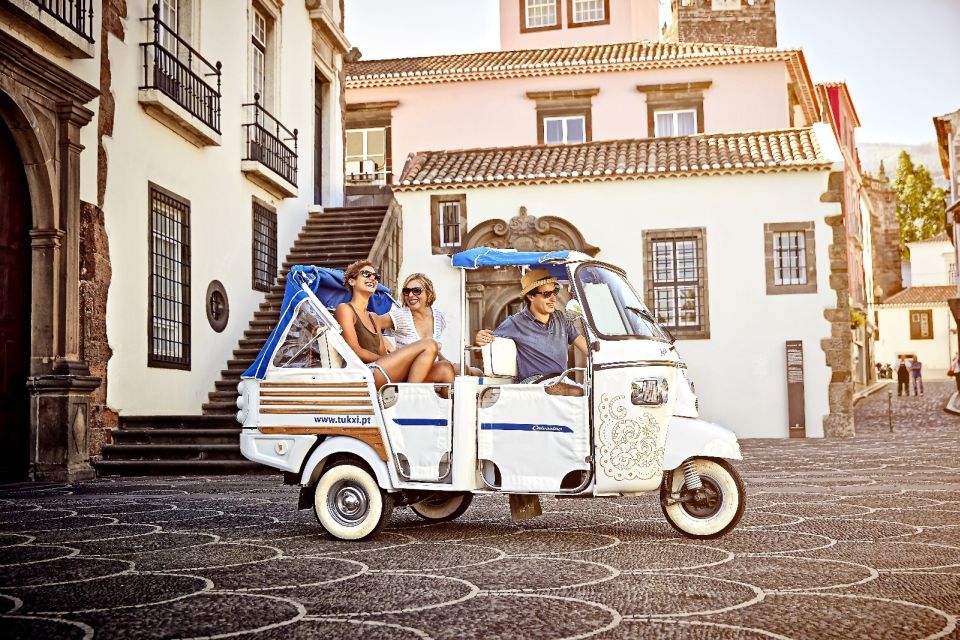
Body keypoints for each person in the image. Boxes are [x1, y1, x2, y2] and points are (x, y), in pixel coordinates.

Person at [333, 260, 447, 389]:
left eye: (376, 276)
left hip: (382, 369)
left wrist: (393, 360)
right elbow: (355, 350)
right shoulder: (345, 309)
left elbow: (383, 353)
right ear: (352, 281)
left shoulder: (373, 317)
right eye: (366, 274)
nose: (372, 278)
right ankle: (408, 395)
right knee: (429, 343)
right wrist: (394, 360)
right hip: (366, 372)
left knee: (445, 369)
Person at [474, 268, 589, 395]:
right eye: (547, 294)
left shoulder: (561, 318)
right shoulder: (515, 323)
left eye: (555, 291)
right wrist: (479, 340)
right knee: (577, 392)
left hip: (561, 380)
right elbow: (482, 351)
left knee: (592, 393)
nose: (553, 299)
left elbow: (588, 349)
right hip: (534, 384)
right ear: (531, 296)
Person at [375, 272, 461, 381]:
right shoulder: (400, 315)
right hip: (404, 371)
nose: (410, 295)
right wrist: (385, 345)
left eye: (416, 291)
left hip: (429, 368)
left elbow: (435, 350)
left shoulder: (438, 316)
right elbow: (371, 323)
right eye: (406, 291)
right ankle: (410, 394)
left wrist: (448, 362)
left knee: (468, 370)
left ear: (429, 293)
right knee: (438, 359)